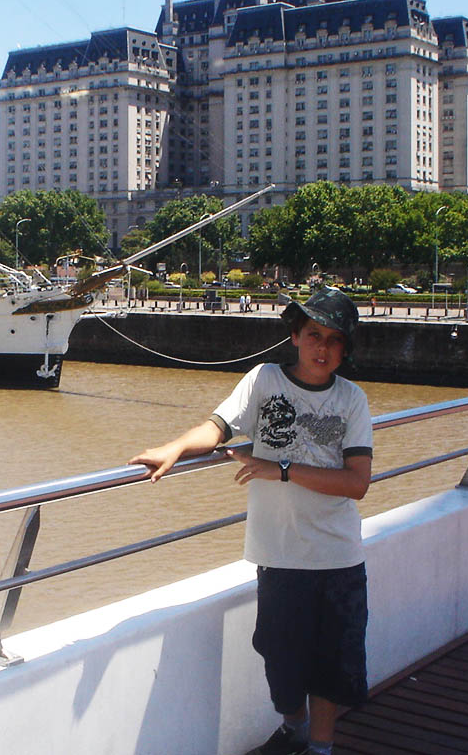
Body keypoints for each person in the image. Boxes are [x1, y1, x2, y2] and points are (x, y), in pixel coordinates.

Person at [129, 287, 372, 755]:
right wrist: (176, 448)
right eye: (313, 335)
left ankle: (320, 747)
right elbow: (218, 427)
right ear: (296, 337)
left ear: (345, 349)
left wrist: (278, 468)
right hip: (278, 555)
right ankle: (293, 729)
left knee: (331, 664)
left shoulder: (352, 400)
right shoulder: (264, 381)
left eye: (334, 340)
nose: (322, 348)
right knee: (280, 660)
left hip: (338, 557)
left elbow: (356, 482)